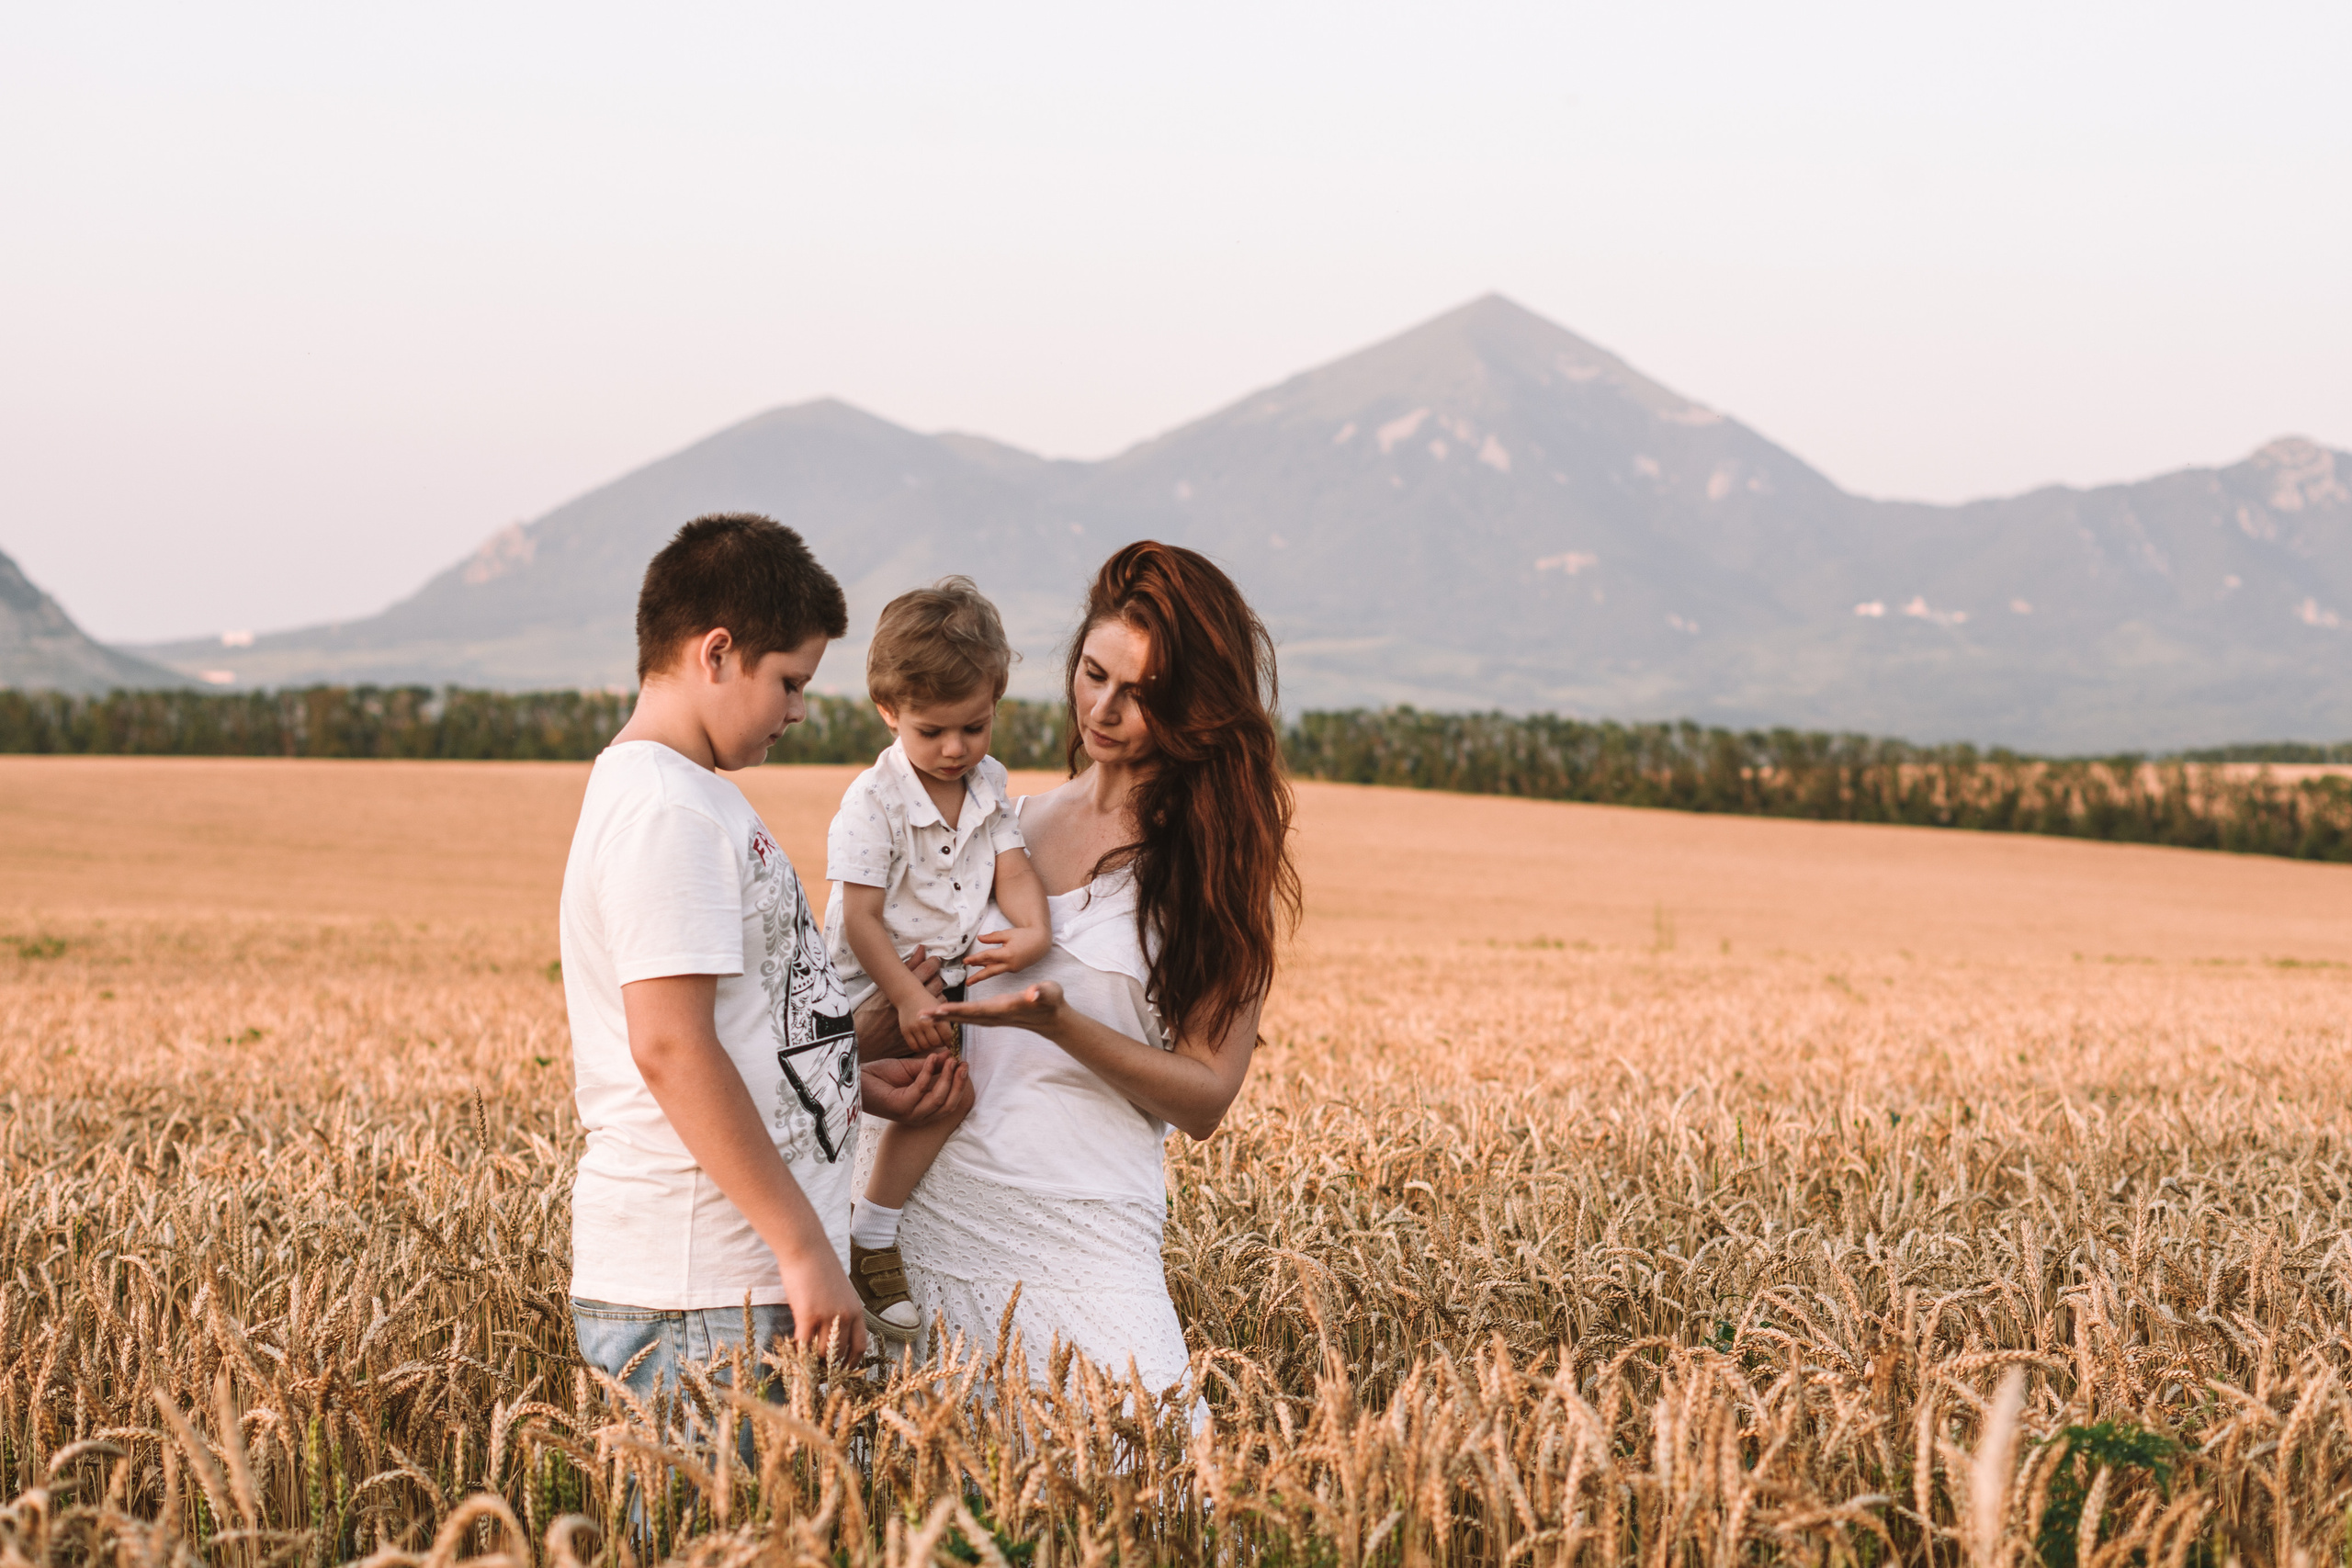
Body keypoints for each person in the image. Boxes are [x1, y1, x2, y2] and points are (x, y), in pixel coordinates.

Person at [865, 540, 1300, 1398]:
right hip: (928, 1215)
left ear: (1194, 708)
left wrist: (1057, 1022)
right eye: (1094, 673)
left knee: (1158, 1500)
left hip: (1087, 1239)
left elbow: (1207, 1096)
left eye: (1141, 694)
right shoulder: (996, 822)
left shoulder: (1213, 874)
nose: (1105, 708)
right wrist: (889, 1012)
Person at [558, 513, 967, 1396]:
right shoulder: (668, 811)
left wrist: (849, 1069)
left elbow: (741, 1027)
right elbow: (670, 1046)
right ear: (716, 653)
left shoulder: (694, 797)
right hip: (707, 1291)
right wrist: (804, 1248)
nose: (798, 709)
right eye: (788, 680)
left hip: (730, 1288)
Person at [821, 579, 1052, 1346]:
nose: (956, 749)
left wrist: (1033, 931)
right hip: (871, 978)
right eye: (932, 732)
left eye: (974, 726)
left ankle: (872, 1232)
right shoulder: (872, 800)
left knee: (947, 1095)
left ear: (997, 702)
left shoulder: (987, 784)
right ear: (889, 713)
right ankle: (851, 1233)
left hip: (935, 984)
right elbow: (858, 918)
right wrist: (905, 1001)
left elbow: (1014, 869)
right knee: (889, 1091)